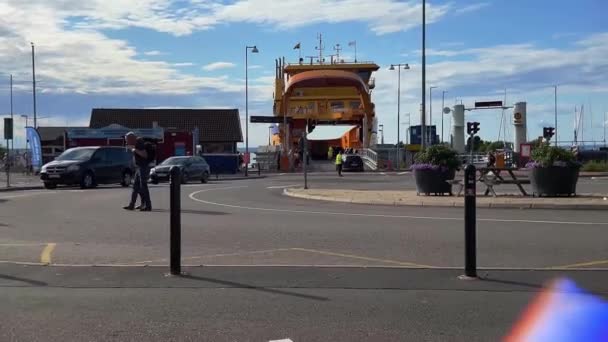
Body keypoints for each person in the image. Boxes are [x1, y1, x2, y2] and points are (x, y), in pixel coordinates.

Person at [123, 132, 152, 211]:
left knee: (143, 186)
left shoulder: (139, 143)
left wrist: (134, 149)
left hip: (143, 167)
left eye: (127, 140)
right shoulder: (135, 143)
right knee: (135, 187)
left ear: (131, 139)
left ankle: (148, 205)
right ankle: (132, 205)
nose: (126, 142)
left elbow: (144, 155)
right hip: (139, 167)